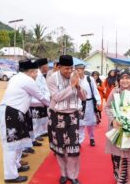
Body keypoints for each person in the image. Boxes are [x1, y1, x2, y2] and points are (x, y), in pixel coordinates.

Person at [0, 59, 50, 183]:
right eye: (36, 72)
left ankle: (16, 166)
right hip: (11, 113)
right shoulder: (28, 80)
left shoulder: (17, 78)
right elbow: (41, 97)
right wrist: (52, 103)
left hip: (15, 112)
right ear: (31, 72)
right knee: (10, 145)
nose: (37, 75)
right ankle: (10, 175)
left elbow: (32, 100)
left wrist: (46, 103)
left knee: (18, 142)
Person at [47, 55, 86, 184]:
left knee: (73, 148)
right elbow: (57, 97)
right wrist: (71, 87)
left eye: (70, 68)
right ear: (59, 67)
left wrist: (78, 87)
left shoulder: (75, 77)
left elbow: (83, 97)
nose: (69, 71)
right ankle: (63, 174)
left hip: (73, 116)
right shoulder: (52, 79)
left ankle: (73, 175)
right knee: (60, 148)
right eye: (66, 69)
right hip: (56, 116)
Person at [105, 68, 130, 184]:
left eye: (127, 78)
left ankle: (126, 178)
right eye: (122, 78)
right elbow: (107, 107)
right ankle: (118, 175)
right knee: (116, 155)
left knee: (128, 155)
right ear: (118, 79)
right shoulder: (115, 91)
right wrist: (113, 120)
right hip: (116, 128)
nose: (124, 80)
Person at [75, 64, 101, 146]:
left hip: (89, 103)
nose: (78, 71)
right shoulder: (75, 80)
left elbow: (95, 90)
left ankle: (91, 137)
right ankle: (79, 141)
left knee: (90, 123)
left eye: (80, 69)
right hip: (79, 103)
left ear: (83, 70)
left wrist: (98, 101)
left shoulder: (90, 79)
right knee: (80, 123)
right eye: (77, 69)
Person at [30, 58, 50, 147]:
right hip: (36, 101)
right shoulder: (37, 75)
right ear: (42, 66)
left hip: (42, 100)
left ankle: (40, 132)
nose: (48, 67)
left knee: (42, 118)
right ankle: (34, 136)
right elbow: (37, 89)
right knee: (36, 120)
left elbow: (45, 88)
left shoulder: (42, 74)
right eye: (47, 65)